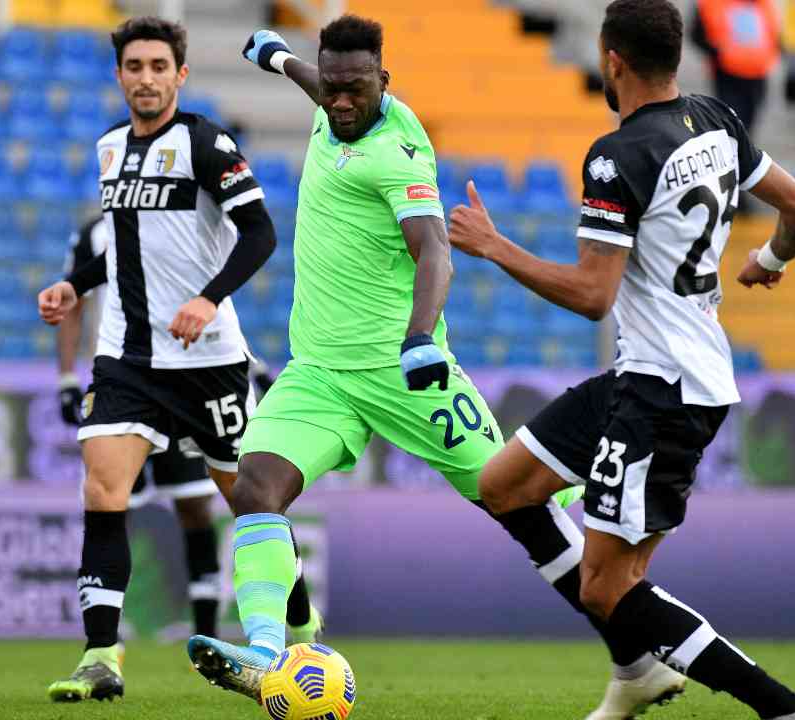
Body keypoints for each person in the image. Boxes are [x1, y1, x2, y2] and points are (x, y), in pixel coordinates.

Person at [184, 14, 604, 703]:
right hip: (320, 370)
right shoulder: (334, 102)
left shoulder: (398, 150)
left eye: (356, 89)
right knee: (254, 487)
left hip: (402, 369)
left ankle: (637, 630)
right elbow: (316, 81)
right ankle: (266, 653)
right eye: (334, 87)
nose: (341, 101)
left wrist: (419, 340)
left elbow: (435, 250)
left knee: (516, 498)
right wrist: (279, 57)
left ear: (385, 83)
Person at [448, 2, 795, 719]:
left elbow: (594, 294)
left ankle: (788, 711)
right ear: (676, 57)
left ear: (611, 58)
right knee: (504, 485)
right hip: (651, 374)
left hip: (665, 391)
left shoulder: (617, 156)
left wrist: (496, 248)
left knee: (608, 587)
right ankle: (634, 672)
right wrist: (770, 259)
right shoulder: (716, 117)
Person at [36, 16, 318, 703]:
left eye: (159, 66)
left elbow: (259, 233)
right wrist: (76, 283)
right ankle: (102, 653)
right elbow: (119, 247)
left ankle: (303, 631)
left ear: (179, 75)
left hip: (209, 359)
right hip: (127, 358)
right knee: (103, 491)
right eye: (134, 66)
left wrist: (206, 298)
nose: (146, 78)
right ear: (120, 75)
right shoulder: (108, 150)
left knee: (249, 500)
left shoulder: (206, 144)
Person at [57, 217, 309, 648]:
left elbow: (224, 290)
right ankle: (103, 645)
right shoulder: (93, 234)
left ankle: (255, 623)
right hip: (130, 379)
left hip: (196, 379)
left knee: (221, 501)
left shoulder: (198, 213)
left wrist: (254, 367)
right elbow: (74, 301)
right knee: (110, 501)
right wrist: (66, 377)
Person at [691, 0, 780, 134]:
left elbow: (773, 32)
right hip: (728, 74)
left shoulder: (762, 4)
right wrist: (716, 52)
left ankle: (743, 150)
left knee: (748, 124)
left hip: (758, 73)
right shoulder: (710, 3)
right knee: (730, 122)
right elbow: (697, 34)